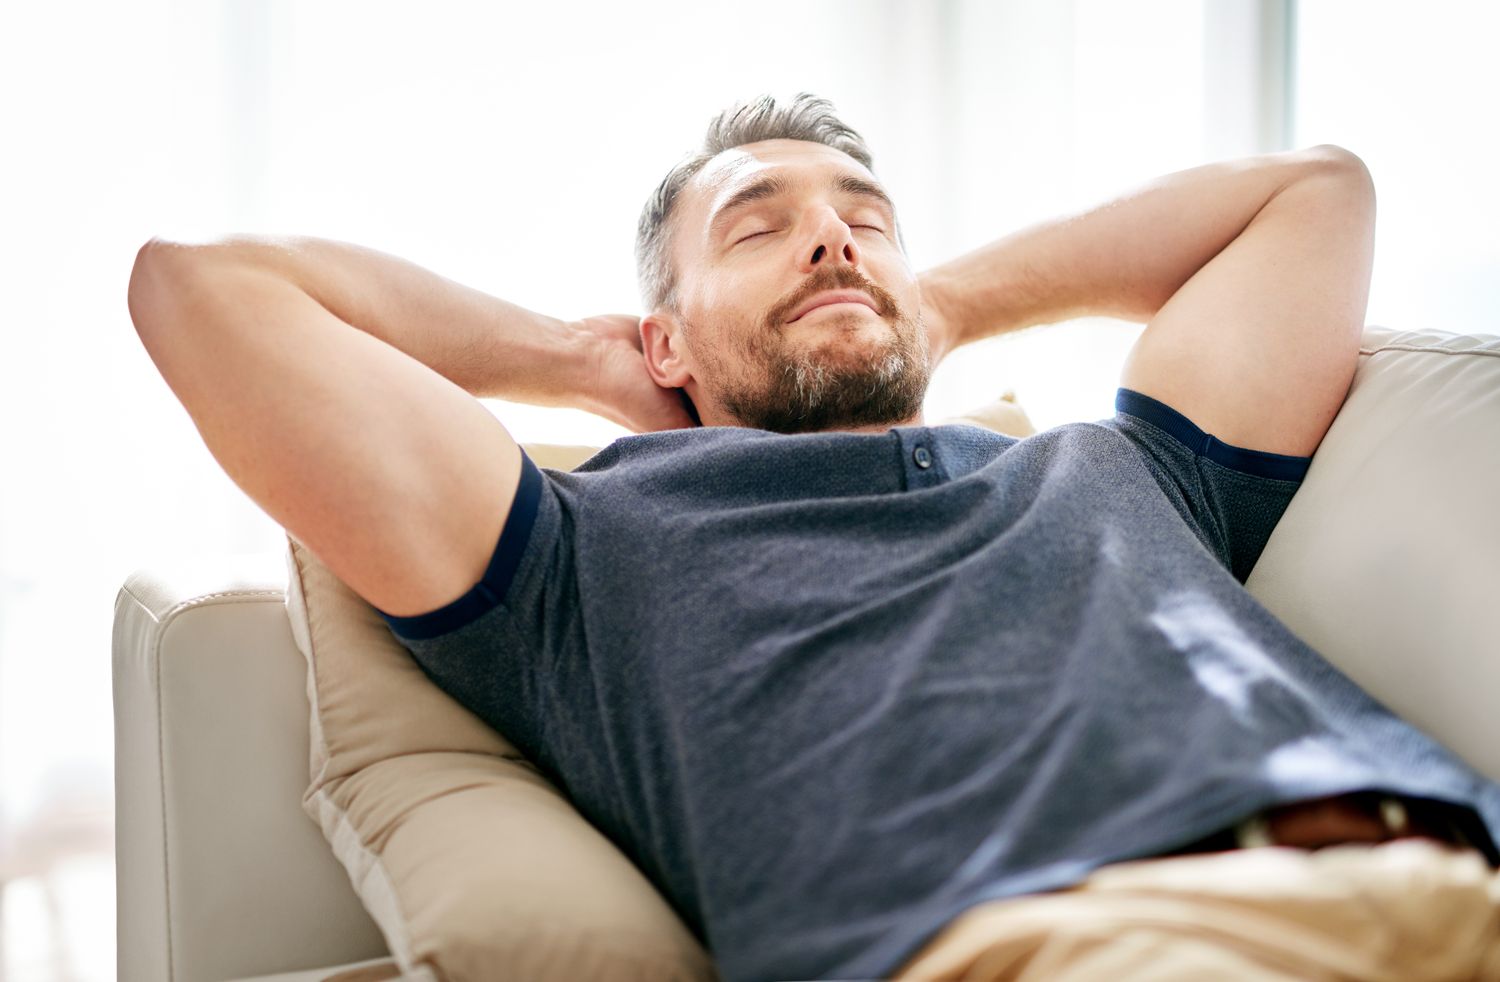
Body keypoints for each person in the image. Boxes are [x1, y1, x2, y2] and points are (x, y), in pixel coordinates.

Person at [128, 93, 1500, 980]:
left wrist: (935, 301)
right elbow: (203, 291)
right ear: (665, 335)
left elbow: (1319, 191)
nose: (833, 244)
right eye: (760, 227)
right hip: (1079, 946)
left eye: (864, 222)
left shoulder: (1120, 467)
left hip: (1455, 870)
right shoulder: (577, 553)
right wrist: (582, 361)